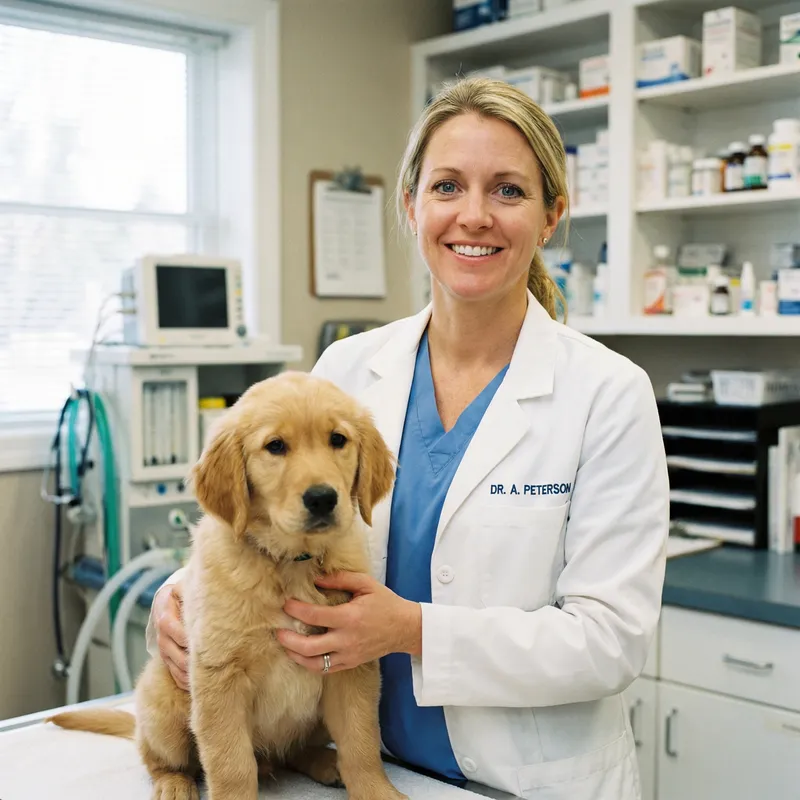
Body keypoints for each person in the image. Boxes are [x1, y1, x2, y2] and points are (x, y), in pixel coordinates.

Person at [147, 76, 670, 799]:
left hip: (529, 781)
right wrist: (174, 605)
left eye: (509, 191)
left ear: (552, 216)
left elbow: (610, 642)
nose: (475, 216)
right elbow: (275, 530)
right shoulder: (348, 370)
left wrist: (412, 630)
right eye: (448, 186)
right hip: (371, 770)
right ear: (412, 205)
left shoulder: (609, 394)